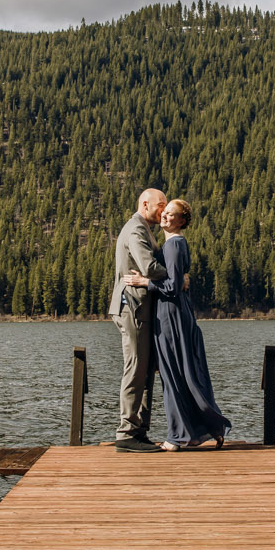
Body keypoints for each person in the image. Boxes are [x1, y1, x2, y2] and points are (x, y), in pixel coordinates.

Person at [129, 198, 230, 450]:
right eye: (164, 212)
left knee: (173, 375)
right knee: (181, 373)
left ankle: (178, 437)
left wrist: (145, 283)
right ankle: (205, 427)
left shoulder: (174, 245)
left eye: (171, 214)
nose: (164, 216)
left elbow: (173, 287)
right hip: (174, 312)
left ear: (182, 221)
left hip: (171, 315)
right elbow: (177, 282)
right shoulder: (175, 243)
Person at [109, 188, 167, 452]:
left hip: (140, 308)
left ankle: (139, 431)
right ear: (145, 204)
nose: (164, 210)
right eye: (161, 205)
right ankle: (126, 433)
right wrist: (178, 276)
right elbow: (149, 268)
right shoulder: (135, 230)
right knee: (135, 368)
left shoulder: (144, 229)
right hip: (132, 307)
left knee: (145, 370)